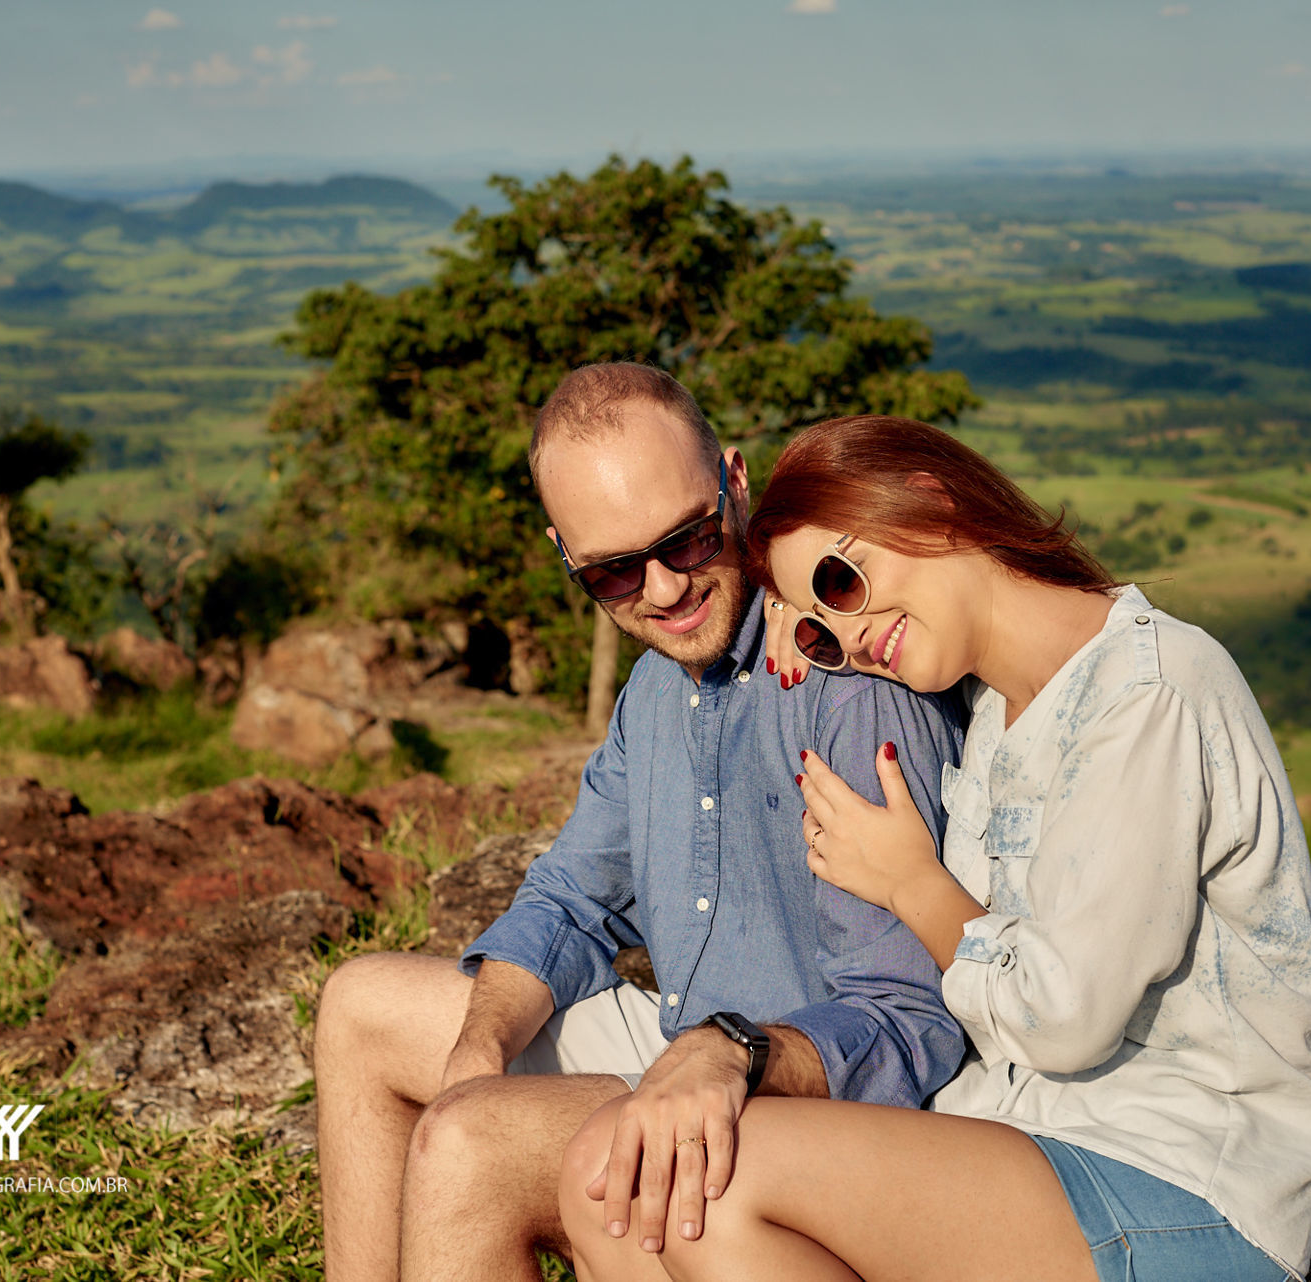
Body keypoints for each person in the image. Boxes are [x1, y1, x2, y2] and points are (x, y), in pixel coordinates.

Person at [559, 414, 1311, 1282]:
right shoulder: (989, 711)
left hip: (1187, 1177)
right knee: (618, 1181)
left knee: (709, 1176)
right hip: (1024, 1141)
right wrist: (807, 618)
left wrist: (914, 886)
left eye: (842, 580)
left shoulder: (1148, 694)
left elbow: (1065, 1019)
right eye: (821, 625)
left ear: (930, 503)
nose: (850, 635)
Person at [312, 369, 967, 1281]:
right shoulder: (657, 686)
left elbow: (908, 1021)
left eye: (688, 540)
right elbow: (575, 896)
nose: (662, 590)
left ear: (735, 484)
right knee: (362, 1010)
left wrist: (729, 1055)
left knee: (467, 1141)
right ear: (565, 555)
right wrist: (480, 1042)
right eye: (612, 569)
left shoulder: (837, 671)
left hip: (798, 1100)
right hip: (678, 1043)